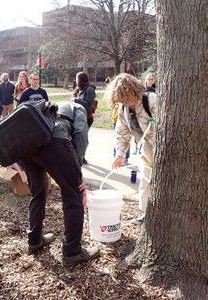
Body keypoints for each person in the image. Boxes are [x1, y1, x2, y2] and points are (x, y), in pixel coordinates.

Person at [20, 101, 99, 266]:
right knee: (74, 194)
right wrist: (77, 171)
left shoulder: (54, 106)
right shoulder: (79, 108)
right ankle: (72, 251)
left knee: (38, 193)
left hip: (27, 146)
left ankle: (34, 240)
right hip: (55, 140)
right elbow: (81, 133)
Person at [107, 73, 157, 225]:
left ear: (132, 92)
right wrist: (120, 154)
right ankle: (146, 213)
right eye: (120, 100)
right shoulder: (124, 109)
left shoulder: (150, 99)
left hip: (162, 144)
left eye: (125, 98)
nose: (124, 102)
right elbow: (121, 133)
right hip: (146, 145)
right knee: (145, 180)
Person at [71, 71, 96, 164]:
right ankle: (77, 155)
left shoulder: (90, 90)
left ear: (81, 79)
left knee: (82, 138)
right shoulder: (79, 89)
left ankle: (82, 157)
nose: (76, 80)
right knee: (76, 137)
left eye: (77, 78)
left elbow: (88, 104)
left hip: (86, 117)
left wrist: (76, 100)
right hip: (77, 116)